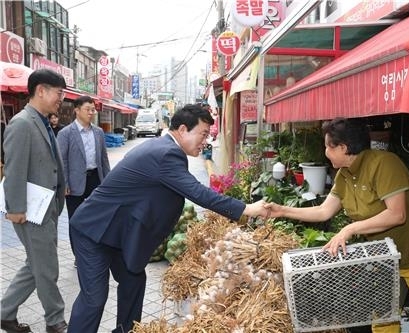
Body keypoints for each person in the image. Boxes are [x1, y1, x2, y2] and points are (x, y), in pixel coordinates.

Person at [67, 104, 269, 333]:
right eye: (203, 134)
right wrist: (246, 209)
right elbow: (199, 193)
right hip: (93, 230)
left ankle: (125, 331)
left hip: (118, 233)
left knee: (133, 279)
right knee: (94, 299)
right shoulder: (166, 153)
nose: (205, 141)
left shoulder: (166, 149)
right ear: (183, 129)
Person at [265, 117, 409, 333]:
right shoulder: (344, 175)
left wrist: (349, 229)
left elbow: (397, 215)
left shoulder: (384, 164)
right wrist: (283, 210)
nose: (325, 152)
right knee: (383, 321)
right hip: (386, 258)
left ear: (343, 148)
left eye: (327, 147)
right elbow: (324, 211)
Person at [1, 69, 68, 333]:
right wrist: (15, 208)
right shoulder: (22, 123)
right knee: (47, 266)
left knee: (36, 265)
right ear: (41, 90)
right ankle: (55, 321)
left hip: (45, 207)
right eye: (58, 93)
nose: (61, 99)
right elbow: (14, 168)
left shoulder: (41, 120)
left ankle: (5, 314)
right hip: (29, 210)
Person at [56, 95, 110, 266]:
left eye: (93, 109)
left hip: (96, 179)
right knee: (76, 220)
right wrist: (64, 183)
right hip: (74, 183)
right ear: (77, 110)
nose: (91, 113)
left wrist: (108, 182)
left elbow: (103, 159)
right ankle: (79, 256)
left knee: (98, 217)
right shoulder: (66, 133)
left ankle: (97, 250)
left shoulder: (99, 132)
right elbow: (61, 161)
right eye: (88, 109)